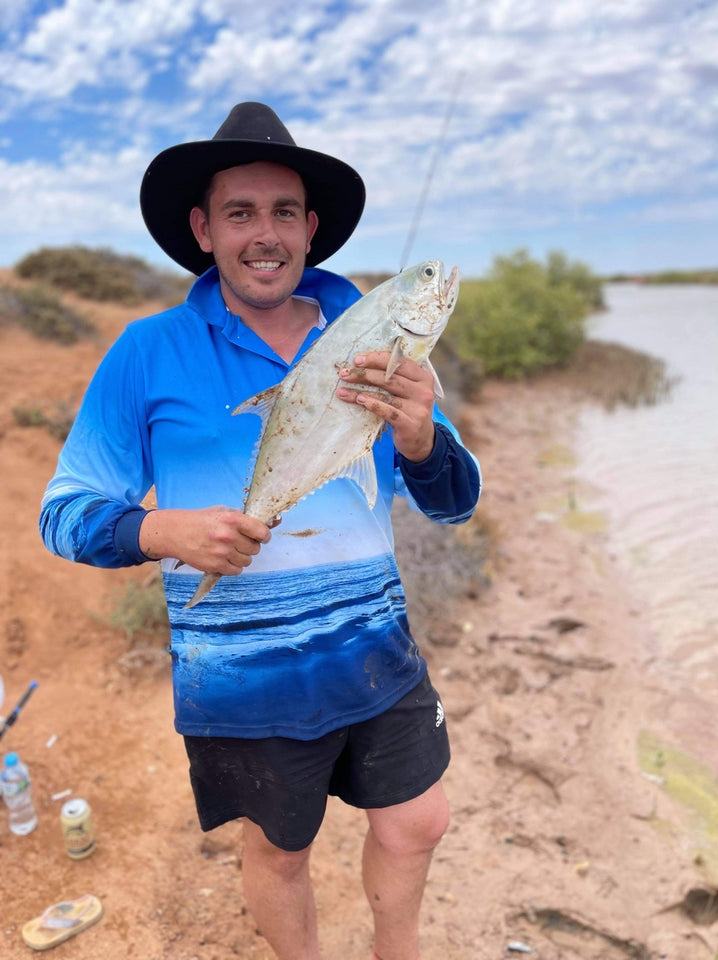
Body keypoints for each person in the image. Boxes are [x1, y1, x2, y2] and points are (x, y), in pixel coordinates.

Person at [40, 102, 480, 960]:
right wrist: (161, 531)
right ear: (203, 228)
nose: (264, 234)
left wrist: (422, 437)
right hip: (240, 675)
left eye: (284, 211)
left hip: (376, 651)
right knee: (281, 848)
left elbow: (455, 502)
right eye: (240, 212)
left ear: (311, 228)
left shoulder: (374, 335)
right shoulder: (147, 351)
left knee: (420, 821)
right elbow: (64, 513)